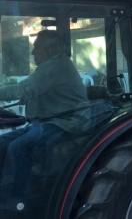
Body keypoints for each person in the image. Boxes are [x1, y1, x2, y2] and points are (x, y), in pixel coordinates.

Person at [0, 30, 88, 208]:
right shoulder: (51, 67)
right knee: (2, 142)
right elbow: (34, 90)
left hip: (65, 122)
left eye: (36, 48)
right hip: (46, 121)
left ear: (51, 49)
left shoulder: (56, 66)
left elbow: (23, 89)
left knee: (19, 147)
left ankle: (16, 200)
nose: (32, 53)